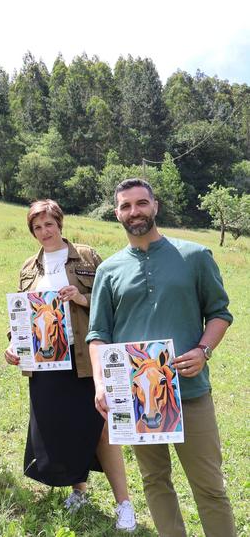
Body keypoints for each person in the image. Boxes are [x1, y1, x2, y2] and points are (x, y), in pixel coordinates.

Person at [87, 178, 236, 536]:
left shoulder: (195, 257)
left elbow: (219, 312)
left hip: (190, 392)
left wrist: (203, 351)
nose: (134, 212)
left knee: (210, 486)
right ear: (117, 213)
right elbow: (97, 335)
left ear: (155, 206)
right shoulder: (109, 270)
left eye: (141, 203)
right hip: (136, 398)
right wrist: (101, 384)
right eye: (126, 206)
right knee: (155, 481)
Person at [4, 200, 136, 531]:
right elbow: (23, 317)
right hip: (46, 365)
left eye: (49, 224)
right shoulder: (28, 268)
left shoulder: (89, 257)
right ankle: (79, 491)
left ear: (60, 224)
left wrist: (80, 298)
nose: (44, 232)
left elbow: (114, 305)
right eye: (37, 227)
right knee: (64, 426)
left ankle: (125, 504)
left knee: (101, 429)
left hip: (86, 359)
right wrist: (13, 344)